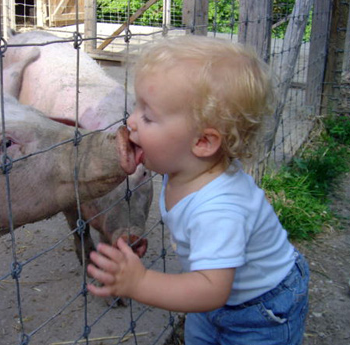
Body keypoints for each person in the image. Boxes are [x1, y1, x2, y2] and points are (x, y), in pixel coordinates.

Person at [86, 35, 309, 345]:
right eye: (136, 107)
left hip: (260, 310)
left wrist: (141, 282)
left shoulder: (219, 209)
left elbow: (210, 289)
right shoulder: (183, 165)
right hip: (214, 300)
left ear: (203, 143)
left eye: (148, 116)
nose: (131, 121)